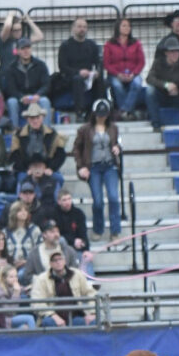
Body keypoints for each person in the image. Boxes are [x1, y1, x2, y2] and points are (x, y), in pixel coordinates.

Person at [73, 99, 121, 241]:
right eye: (99, 114)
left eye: (104, 114)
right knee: (98, 200)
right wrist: (81, 166)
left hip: (110, 166)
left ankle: (115, 231)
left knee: (113, 197)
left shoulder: (113, 128)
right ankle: (98, 228)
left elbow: (117, 143)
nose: (101, 117)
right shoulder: (84, 129)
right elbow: (76, 148)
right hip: (93, 167)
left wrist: (117, 148)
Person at [30, 249, 96, 327]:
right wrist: (53, 315)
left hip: (76, 316)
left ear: (64, 261)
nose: (58, 262)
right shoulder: (41, 279)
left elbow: (91, 292)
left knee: (92, 322)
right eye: (54, 260)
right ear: (50, 263)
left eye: (60, 259)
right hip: (53, 317)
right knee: (48, 322)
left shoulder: (77, 274)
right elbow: (36, 302)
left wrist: (93, 313)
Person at [58, 18, 102, 121]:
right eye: (79, 26)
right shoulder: (65, 46)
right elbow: (62, 67)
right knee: (77, 79)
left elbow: (98, 63)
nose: (82, 29)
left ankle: (98, 111)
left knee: (101, 81)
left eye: (84, 27)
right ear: (73, 29)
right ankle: (80, 112)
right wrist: (78, 72)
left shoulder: (92, 45)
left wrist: (96, 72)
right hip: (70, 77)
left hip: (89, 77)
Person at [4, 37, 53, 127]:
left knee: (45, 101)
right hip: (20, 100)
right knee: (12, 102)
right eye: (23, 49)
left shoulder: (41, 65)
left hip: (37, 97)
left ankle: (46, 132)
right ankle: (15, 132)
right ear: (18, 51)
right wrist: (21, 98)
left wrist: (38, 95)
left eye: (28, 48)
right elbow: (10, 89)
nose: (26, 51)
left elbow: (46, 85)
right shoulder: (11, 68)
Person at [145, 38, 179, 130]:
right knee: (150, 91)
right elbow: (149, 78)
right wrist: (166, 85)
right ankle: (156, 124)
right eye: (172, 52)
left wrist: (178, 91)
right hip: (162, 95)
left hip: (178, 97)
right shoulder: (158, 63)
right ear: (166, 53)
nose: (175, 54)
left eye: (177, 51)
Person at [104, 18, 145, 119]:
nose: (127, 28)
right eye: (124, 26)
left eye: (128, 26)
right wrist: (118, 74)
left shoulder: (136, 43)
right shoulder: (109, 44)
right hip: (115, 74)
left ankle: (123, 111)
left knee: (137, 83)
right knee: (117, 85)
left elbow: (141, 62)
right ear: (118, 28)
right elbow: (107, 64)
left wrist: (133, 73)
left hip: (133, 73)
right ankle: (129, 113)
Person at [5, 200, 41, 277]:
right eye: (20, 210)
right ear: (13, 213)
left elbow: (40, 250)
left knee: (22, 274)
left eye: (25, 210)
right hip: (9, 266)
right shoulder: (5, 232)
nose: (24, 212)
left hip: (29, 266)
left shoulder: (34, 230)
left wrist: (26, 261)